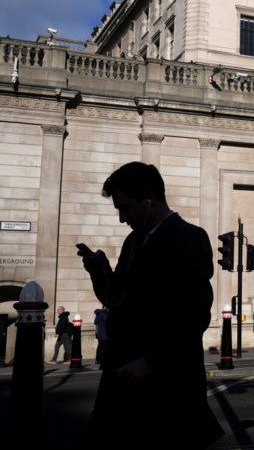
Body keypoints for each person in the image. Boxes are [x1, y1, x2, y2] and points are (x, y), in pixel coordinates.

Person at [80, 162, 223, 448]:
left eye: (125, 207)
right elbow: (117, 299)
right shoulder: (133, 241)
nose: (122, 218)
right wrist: (100, 271)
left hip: (164, 379)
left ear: (149, 199)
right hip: (124, 373)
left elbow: (193, 314)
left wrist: (152, 362)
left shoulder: (189, 238)